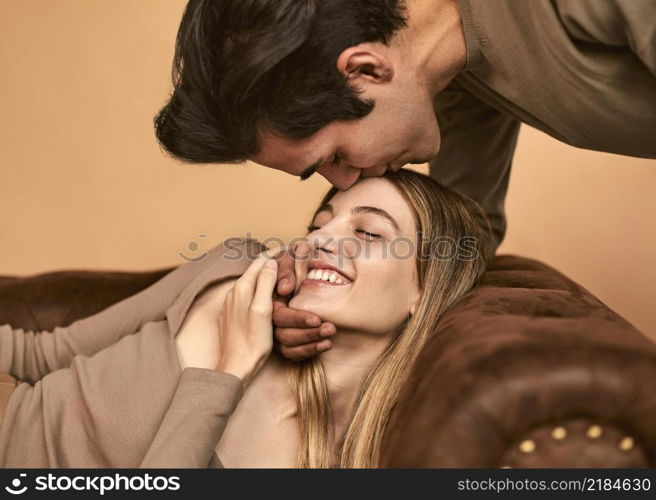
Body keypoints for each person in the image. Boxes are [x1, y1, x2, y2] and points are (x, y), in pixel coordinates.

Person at [152, 0, 656, 361]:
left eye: (334, 156)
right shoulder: (449, 82)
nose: (343, 182)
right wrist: (322, 302)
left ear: (366, 70)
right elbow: (459, 239)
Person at [0, 170, 494, 468]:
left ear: (423, 290)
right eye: (319, 225)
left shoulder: (336, 457)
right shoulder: (239, 265)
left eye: (367, 233)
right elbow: (39, 353)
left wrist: (226, 373)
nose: (318, 241)